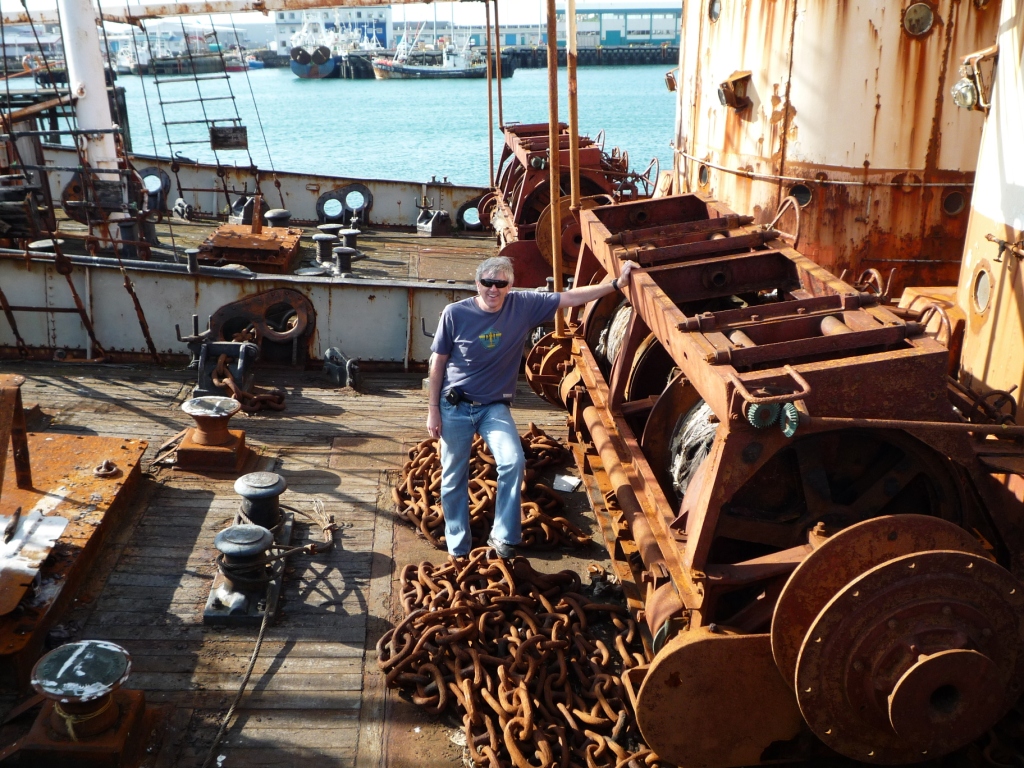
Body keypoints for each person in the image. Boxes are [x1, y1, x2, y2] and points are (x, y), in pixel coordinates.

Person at [426, 255, 639, 560]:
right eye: (487, 283)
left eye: (501, 283)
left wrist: (615, 284)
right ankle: (459, 547)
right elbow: (438, 363)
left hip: (493, 408)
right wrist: (433, 409)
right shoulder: (454, 314)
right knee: (452, 477)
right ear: (477, 284)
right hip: (455, 406)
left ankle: (504, 537)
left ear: (510, 285)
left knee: (513, 462)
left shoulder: (522, 305)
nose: (493, 289)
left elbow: (569, 297)